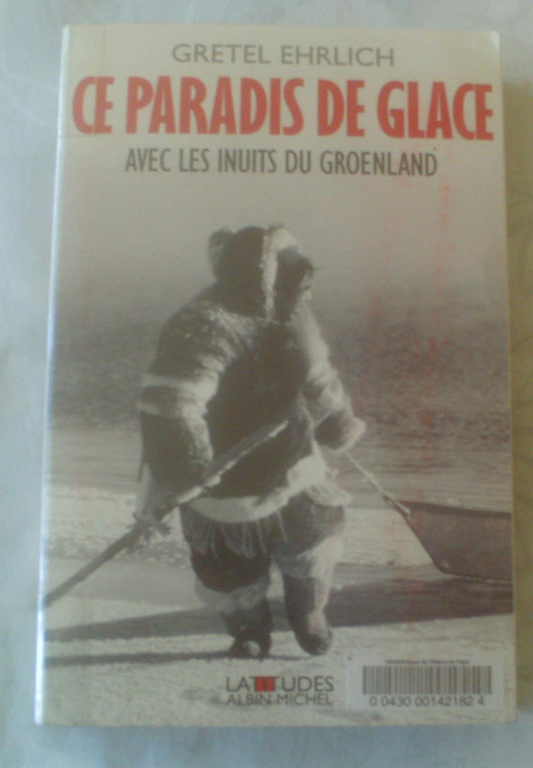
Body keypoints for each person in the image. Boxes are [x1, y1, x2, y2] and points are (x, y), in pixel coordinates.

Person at [135, 225, 365, 659]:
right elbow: (173, 401)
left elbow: (319, 379)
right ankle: (254, 628)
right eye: (299, 284)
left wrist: (337, 421)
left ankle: (304, 616)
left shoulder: (293, 317)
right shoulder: (205, 323)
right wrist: (187, 470)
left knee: (306, 547)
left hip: (287, 464)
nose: (306, 293)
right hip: (223, 477)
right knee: (234, 568)